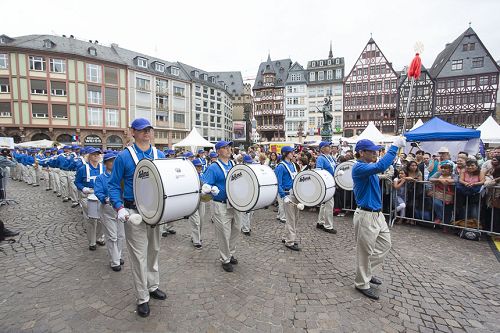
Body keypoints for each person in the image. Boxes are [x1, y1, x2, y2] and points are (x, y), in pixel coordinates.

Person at [108, 118, 167, 317]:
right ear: (132, 132)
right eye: (142, 130)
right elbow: (114, 185)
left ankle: (153, 286)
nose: (146, 133)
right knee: (139, 256)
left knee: (154, 251)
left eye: (148, 129)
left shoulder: (160, 154)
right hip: (133, 213)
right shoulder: (124, 157)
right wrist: (119, 208)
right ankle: (142, 297)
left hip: (156, 212)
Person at [351, 137, 405, 300]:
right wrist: (394, 146)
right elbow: (381, 165)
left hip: (377, 214)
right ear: (361, 153)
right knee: (365, 252)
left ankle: (367, 272)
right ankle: (362, 283)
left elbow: (379, 170)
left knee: (385, 245)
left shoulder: (366, 167)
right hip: (366, 214)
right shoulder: (359, 167)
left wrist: (386, 173)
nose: (376, 153)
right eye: (372, 151)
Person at [202, 140, 241, 272]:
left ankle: (230, 253)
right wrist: (211, 188)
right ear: (218, 151)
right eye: (225, 148)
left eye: (229, 147)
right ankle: (225, 259)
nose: (229, 149)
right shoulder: (213, 167)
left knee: (237, 228)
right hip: (221, 204)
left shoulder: (233, 163)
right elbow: (205, 185)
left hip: (235, 203)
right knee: (224, 233)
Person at [94, 152, 125, 271]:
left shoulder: (121, 176)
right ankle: (114, 261)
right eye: (110, 161)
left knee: (121, 235)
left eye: (115, 161)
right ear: (106, 163)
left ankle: (118, 255)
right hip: (108, 209)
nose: (113, 163)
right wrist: (105, 198)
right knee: (112, 236)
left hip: (121, 208)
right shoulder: (101, 178)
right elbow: (98, 192)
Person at [74, 147, 105, 250]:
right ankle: (92, 242)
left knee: (101, 219)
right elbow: (77, 182)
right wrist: (83, 188)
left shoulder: (103, 168)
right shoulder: (83, 168)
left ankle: (99, 237)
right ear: (89, 156)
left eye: (98, 154)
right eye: (94, 154)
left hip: (100, 195)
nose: (96, 156)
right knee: (91, 219)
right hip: (87, 195)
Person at [275, 146, 300, 251]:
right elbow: (278, 183)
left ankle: (286, 237)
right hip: (287, 194)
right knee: (291, 219)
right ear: (285, 153)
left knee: (295, 218)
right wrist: (283, 196)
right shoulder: (280, 166)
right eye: (291, 152)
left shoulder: (293, 164)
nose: (293, 153)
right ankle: (290, 242)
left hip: (295, 193)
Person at [315, 141, 337, 234]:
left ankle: (320, 222)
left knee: (324, 205)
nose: (330, 147)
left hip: (331, 183)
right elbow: (319, 171)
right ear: (322, 149)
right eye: (327, 146)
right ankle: (328, 226)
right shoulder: (321, 158)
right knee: (329, 205)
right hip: (327, 184)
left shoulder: (331, 157)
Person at [189, 159, 205, 248]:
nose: (200, 167)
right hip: (192, 201)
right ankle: (196, 241)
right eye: (198, 166)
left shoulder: (202, 175)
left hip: (201, 200)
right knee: (196, 221)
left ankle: (195, 236)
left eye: (201, 166)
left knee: (201, 220)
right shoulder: (189, 176)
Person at [240, 154, 255, 236]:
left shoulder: (252, 170)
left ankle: (247, 226)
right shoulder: (241, 170)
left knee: (251, 212)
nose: (249, 164)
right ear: (244, 162)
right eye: (247, 163)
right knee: (245, 212)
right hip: (244, 194)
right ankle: (245, 228)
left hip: (252, 193)